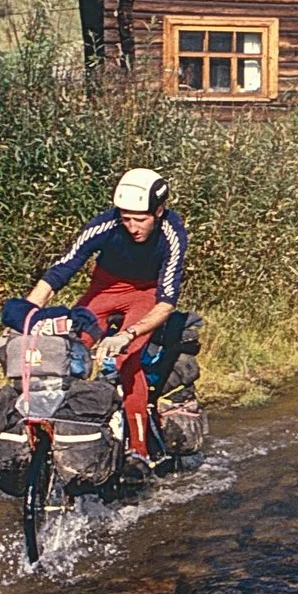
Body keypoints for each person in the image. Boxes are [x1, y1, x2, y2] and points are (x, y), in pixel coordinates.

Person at [25, 167, 187, 473]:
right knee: (64, 352)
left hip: (146, 294)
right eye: (126, 218)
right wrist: (25, 313)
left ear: (159, 211)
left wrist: (129, 334)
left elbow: (166, 301)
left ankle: (138, 451)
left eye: (141, 219)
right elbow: (63, 268)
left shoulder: (172, 233)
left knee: (128, 359)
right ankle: (57, 437)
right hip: (105, 287)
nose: (132, 227)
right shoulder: (105, 225)